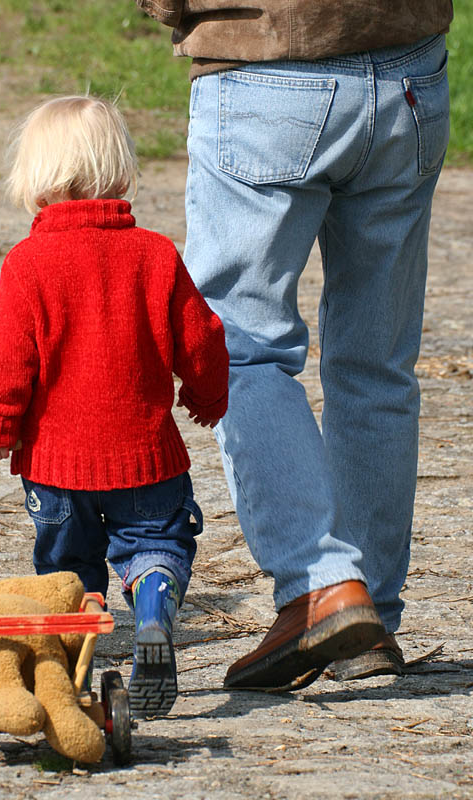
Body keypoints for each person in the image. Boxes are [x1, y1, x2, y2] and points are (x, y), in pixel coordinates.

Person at [136, 0, 453, 688]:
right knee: (378, 365)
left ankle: (324, 586)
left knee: (240, 348)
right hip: (408, 71)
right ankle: (366, 623)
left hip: (265, 63)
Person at [0, 95, 229, 717]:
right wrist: (206, 396)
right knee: (156, 543)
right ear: (121, 170)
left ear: (35, 184)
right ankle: (154, 606)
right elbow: (201, 338)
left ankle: (69, 671)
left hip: (57, 472)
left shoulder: (28, 264)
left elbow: (6, 360)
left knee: (67, 569)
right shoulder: (155, 254)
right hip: (147, 462)